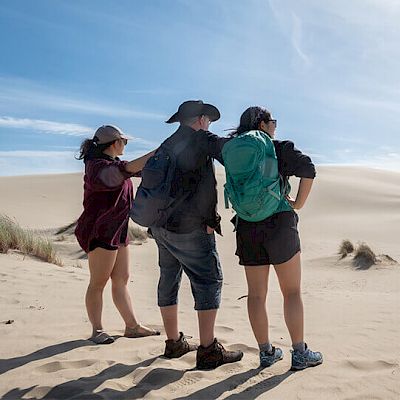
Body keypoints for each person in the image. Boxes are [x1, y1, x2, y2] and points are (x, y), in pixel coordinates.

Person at [150, 100, 243, 370]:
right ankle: (208, 350)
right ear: (201, 119)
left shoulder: (168, 142)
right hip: (190, 228)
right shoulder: (200, 138)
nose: (209, 124)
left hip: (161, 227)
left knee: (168, 278)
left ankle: (173, 343)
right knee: (209, 281)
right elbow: (230, 153)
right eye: (208, 119)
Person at [228, 106, 323, 371]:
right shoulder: (278, 147)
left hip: (247, 225)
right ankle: (300, 353)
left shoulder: (233, 149)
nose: (275, 127)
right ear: (262, 124)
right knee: (291, 291)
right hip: (279, 222)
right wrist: (299, 204)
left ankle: (266, 353)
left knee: (256, 295)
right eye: (272, 122)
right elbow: (308, 169)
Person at [75, 124, 160, 344]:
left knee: (121, 280)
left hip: (119, 231)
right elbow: (125, 170)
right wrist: (156, 152)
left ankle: (132, 326)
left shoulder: (113, 164)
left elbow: (138, 169)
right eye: (124, 141)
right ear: (115, 143)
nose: (126, 144)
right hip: (100, 231)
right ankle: (97, 330)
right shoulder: (96, 167)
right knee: (98, 282)